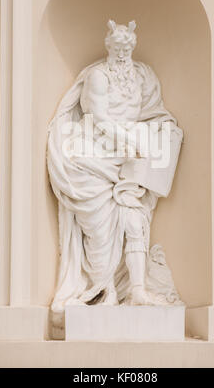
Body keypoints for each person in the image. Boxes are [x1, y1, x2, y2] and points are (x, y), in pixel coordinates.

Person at [47, 20, 182, 311]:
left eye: (127, 48)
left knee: (135, 221)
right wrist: (128, 140)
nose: (122, 54)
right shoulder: (98, 76)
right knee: (99, 231)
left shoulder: (142, 75)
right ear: (109, 46)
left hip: (126, 158)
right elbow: (97, 116)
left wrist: (165, 131)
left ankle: (137, 291)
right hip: (92, 154)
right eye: (118, 48)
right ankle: (102, 290)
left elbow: (153, 113)